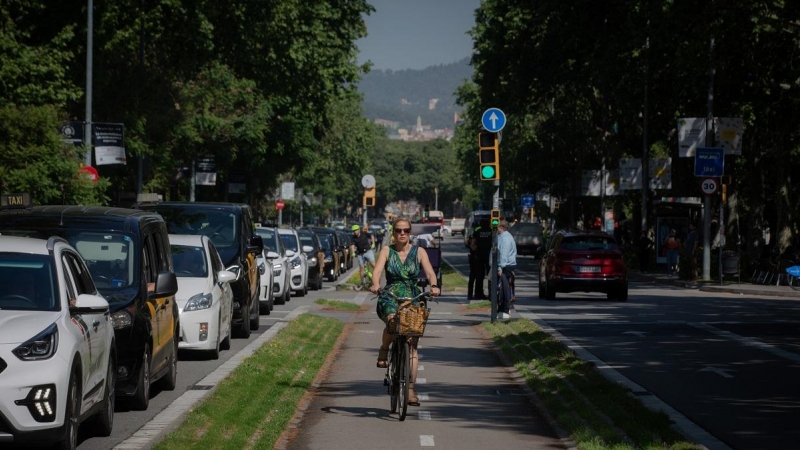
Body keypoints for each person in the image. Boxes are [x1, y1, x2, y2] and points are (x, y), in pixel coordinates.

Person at [369, 216, 440, 407]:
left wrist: (434, 285)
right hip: (391, 294)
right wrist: (376, 284)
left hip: (413, 296)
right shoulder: (386, 250)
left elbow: (431, 272)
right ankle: (384, 351)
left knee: (412, 343)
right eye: (399, 230)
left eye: (406, 231)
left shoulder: (420, 252)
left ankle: (409, 390)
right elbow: (377, 271)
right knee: (392, 321)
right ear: (393, 232)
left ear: (410, 232)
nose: (402, 234)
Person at [496, 220, 517, 319]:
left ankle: (505, 309)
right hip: (506, 266)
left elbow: (503, 254)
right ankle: (502, 309)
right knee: (502, 288)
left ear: (501, 227)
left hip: (505, 266)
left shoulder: (505, 239)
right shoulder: (505, 237)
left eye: (497, 227)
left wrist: (500, 267)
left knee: (504, 289)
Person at [467, 224, 482, 299]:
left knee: (477, 277)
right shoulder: (474, 235)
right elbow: (472, 246)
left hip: (476, 258)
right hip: (474, 258)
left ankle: (475, 294)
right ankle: (473, 294)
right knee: (474, 277)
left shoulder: (474, 234)